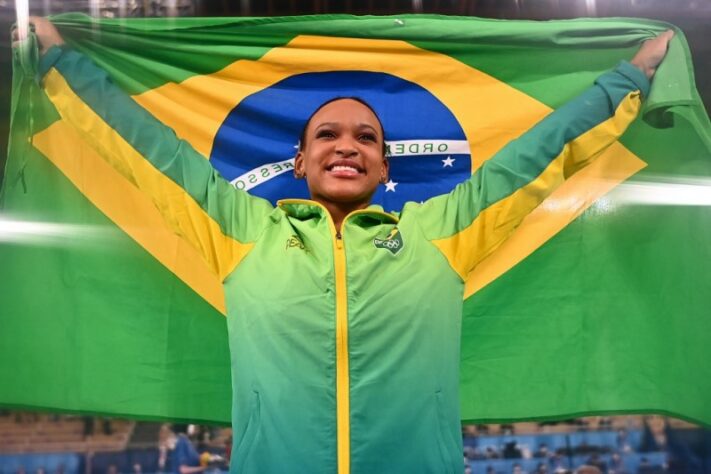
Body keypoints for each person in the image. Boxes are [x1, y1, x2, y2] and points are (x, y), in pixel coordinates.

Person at [19, 17, 672, 474]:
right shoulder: (240, 230)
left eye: (366, 138)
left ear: (386, 169)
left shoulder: (439, 233)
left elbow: (540, 155)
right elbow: (144, 147)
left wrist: (630, 78)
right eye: (327, 134)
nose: (347, 145)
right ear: (298, 161)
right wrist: (59, 60)